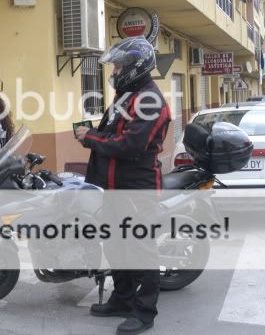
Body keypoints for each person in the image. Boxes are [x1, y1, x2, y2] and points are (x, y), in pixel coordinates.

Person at [75, 36, 171, 335]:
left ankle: (144, 313)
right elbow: (110, 133)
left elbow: (130, 145)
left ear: (135, 66)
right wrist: (91, 132)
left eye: (117, 66)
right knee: (116, 245)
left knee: (141, 249)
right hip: (113, 186)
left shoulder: (149, 101)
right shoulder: (126, 97)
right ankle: (122, 298)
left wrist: (88, 137)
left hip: (137, 188)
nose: (113, 71)